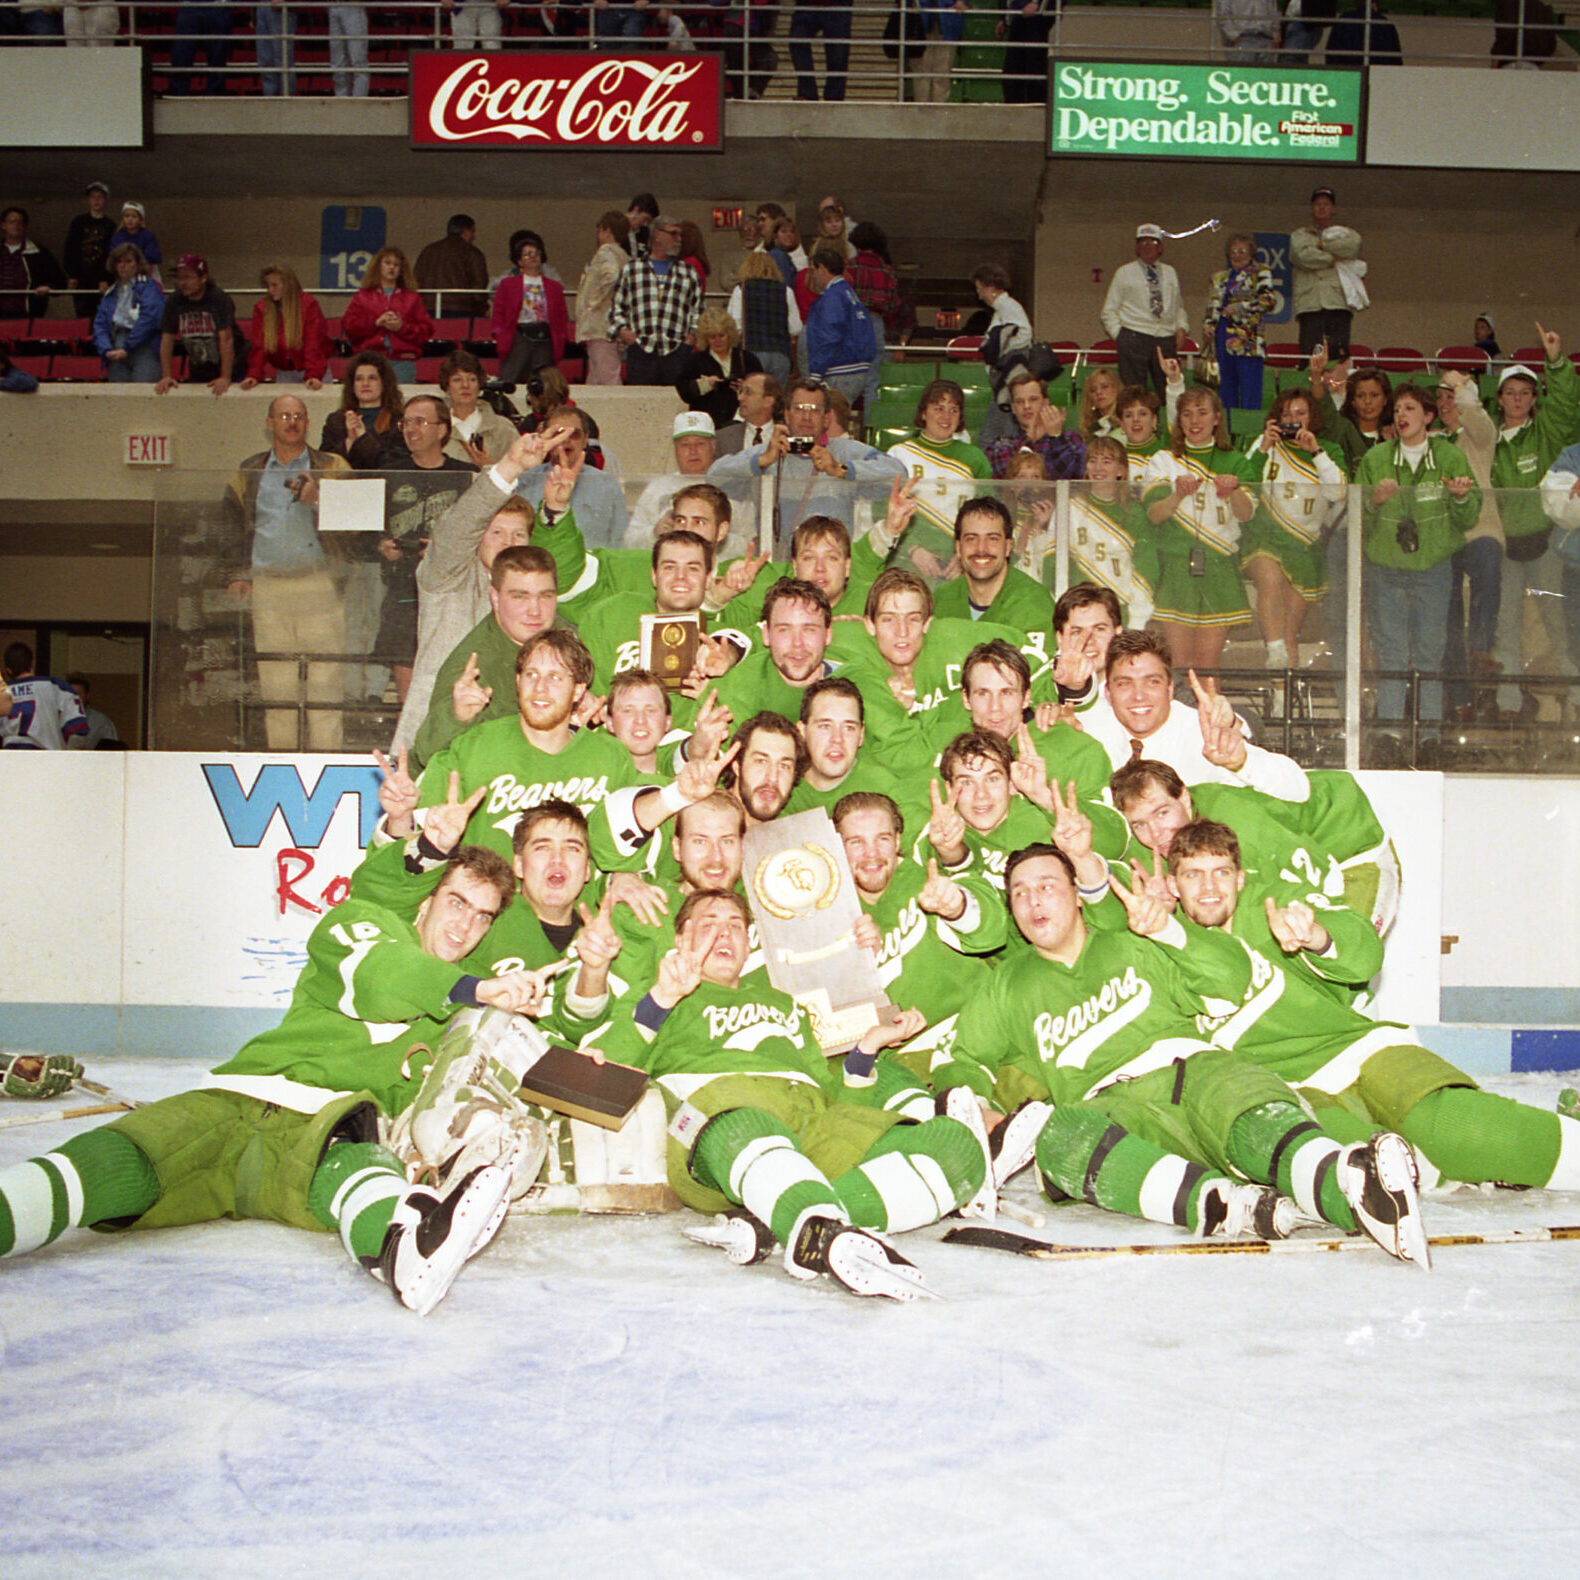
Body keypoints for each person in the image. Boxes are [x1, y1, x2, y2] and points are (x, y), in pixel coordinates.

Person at [0, 842, 555, 1316]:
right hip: (240, 1098)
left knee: (362, 1169)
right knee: (115, 1160)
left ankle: (404, 1253)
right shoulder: (364, 926)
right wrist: (475, 989)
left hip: (323, 1133)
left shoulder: (463, 1018)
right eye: (457, 902)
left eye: (483, 916)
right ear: (428, 898)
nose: (466, 926)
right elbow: (382, 980)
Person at [935, 844, 1429, 1262]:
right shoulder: (1006, 984)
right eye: (1019, 893)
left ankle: (1353, 1186)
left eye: (1046, 886)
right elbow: (963, 1057)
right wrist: (975, 1103)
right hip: (1112, 1108)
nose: (1032, 901)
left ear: (1077, 896)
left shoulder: (1136, 942)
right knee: (1058, 1137)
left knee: (1242, 1095)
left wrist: (1171, 931)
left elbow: (1232, 980)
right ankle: (1222, 1205)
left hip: (1191, 1070)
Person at [588, 888, 979, 1299]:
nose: (724, 935)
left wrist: (866, 1049)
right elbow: (608, 1070)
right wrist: (663, 998)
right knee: (746, 1125)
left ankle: (792, 1223)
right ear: (681, 940)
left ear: (749, 942)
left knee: (955, 1144)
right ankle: (808, 1218)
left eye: (736, 926)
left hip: (807, 1120)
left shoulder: (785, 1005)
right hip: (723, 1119)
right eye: (709, 924)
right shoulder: (660, 995)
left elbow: (839, 1106)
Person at [1158, 817, 1580, 1196]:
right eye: (1194, 875)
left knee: (1460, 1126)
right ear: (1174, 886)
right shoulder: (1160, 951)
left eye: (1221, 873)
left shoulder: (1277, 907)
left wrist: (1318, 936)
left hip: (1357, 1052)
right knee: (1364, 1162)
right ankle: (1453, 1167)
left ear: (1241, 880)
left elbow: (1362, 952)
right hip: (1294, 1093)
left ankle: (1517, 1146)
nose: (1210, 888)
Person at [220, 394, 355, 751]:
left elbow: (358, 527)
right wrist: (237, 573)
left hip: (319, 582)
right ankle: (280, 757)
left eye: (298, 415)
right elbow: (231, 527)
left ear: (307, 422)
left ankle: (327, 758)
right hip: (268, 586)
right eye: (283, 416)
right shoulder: (249, 469)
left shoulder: (332, 464)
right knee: (276, 686)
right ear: (270, 423)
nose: (291, 422)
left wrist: (319, 502)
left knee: (326, 684)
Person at [1357, 383, 1481, 755]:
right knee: (1393, 652)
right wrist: (1375, 502)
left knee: (1430, 652)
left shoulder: (1449, 457)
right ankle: (1391, 735)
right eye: (1397, 410)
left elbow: (1468, 516)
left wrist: (1461, 496)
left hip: (1433, 569)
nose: (1401, 415)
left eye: (1410, 409)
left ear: (1428, 417)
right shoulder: (1376, 459)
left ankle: (1429, 735)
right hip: (1386, 569)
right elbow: (1358, 518)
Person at [1081, 629, 1314, 803]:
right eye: (1124, 684)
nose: (1139, 696)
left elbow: (1299, 788)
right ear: (1108, 692)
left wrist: (1241, 763)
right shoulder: (1088, 728)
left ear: (1171, 689)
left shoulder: (1201, 732)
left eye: (1152, 682)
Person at [1484, 334, 1579, 718]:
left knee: (1559, 626)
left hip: (1546, 546)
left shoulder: (1546, 433)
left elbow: (1564, 404)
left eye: (1526, 392)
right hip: (1506, 549)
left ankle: (1576, 698)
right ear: (1500, 398)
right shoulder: (1487, 440)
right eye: (1511, 392)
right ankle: (1508, 705)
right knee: (1506, 627)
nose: (1518, 399)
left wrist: (1554, 359)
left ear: (1534, 399)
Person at [707, 374, 905, 554]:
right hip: (779, 567)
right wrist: (761, 461)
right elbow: (713, 478)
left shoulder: (846, 452)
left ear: (826, 418)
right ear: (786, 414)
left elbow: (900, 474)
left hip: (830, 566)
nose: (806, 417)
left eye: (814, 410)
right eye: (799, 408)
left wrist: (842, 469)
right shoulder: (769, 453)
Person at [1138, 386, 1257, 669]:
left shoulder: (1236, 461)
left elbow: (1247, 514)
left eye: (1202, 413)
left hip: (1219, 567)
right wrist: (1177, 494)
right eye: (1187, 414)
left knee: (1207, 663)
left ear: (1217, 418)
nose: (1194, 421)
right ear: (1179, 421)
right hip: (1177, 566)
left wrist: (1234, 491)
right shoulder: (1163, 460)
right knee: (1179, 662)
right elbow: (1154, 515)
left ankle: (1209, 714)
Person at [1239, 386, 1348, 672]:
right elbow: (1243, 480)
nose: (1294, 419)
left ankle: (1281, 699)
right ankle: (1273, 649)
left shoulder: (1328, 450)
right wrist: (1263, 446)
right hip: (1263, 538)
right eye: (1287, 414)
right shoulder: (1263, 445)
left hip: (1303, 546)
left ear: (1312, 417)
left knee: (1289, 632)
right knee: (1271, 576)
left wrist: (1316, 451)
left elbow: (1338, 493)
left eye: (1301, 413)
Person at [1434, 369, 1503, 723]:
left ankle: (1480, 650)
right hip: (1445, 540)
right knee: (1447, 619)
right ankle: (1460, 697)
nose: (1446, 404)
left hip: (1479, 532)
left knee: (1488, 563)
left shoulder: (1479, 437)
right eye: (1441, 398)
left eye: (1452, 398)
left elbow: (1476, 416)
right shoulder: (1431, 443)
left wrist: (1461, 386)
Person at [887, 378, 994, 573]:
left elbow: (987, 514)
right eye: (938, 408)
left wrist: (965, 554)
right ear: (923, 412)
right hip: (906, 560)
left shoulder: (975, 458)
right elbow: (882, 509)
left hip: (959, 564)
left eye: (953, 410)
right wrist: (913, 548)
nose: (946, 416)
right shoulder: (899, 454)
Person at [932, 495, 1055, 633]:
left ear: (1008, 547)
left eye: (993, 539)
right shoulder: (940, 600)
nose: (981, 549)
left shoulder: (1034, 602)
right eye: (971, 539)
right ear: (958, 548)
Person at [609, 214, 704, 386]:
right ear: (657, 235)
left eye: (680, 235)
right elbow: (616, 307)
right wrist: (624, 332)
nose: (679, 239)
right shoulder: (632, 269)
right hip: (640, 350)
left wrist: (690, 338)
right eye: (673, 234)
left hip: (677, 351)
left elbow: (697, 309)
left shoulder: (689, 273)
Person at [1101, 224, 1189, 404]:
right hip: (1134, 336)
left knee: (1170, 391)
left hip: (1164, 338)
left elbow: (1178, 306)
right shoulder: (1124, 272)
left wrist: (1181, 327)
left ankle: (1170, 429)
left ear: (1160, 247)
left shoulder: (1170, 272)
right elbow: (1108, 311)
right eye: (1142, 242)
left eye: (1152, 242)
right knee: (1134, 395)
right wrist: (1122, 336)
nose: (1147, 247)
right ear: (1136, 246)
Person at [1203, 232, 1276, 417]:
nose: (1237, 254)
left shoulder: (1261, 271)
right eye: (1233, 251)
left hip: (1248, 340)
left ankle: (1248, 433)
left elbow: (1268, 300)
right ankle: (1227, 433)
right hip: (1222, 338)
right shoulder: (1219, 277)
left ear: (1251, 252)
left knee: (1250, 390)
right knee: (1226, 390)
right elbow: (1213, 305)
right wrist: (1208, 325)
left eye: (1242, 250)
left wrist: (1241, 307)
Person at [625, 413, 721, 547]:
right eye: (685, 445)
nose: (693, 451)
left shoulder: (731, 486)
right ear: (675, 448)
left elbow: (748, 541)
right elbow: (629, 541)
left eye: (700, 444)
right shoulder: (657, 488)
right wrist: (654, 533)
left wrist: (716, 534)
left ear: (713, 446)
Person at [489, 229, 569, 390]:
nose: (532, 256)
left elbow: (561, 315)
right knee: (510, 379)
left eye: (535, 253)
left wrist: (560, 336)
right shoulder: (507, 284)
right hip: (518, 336)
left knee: (544, 383)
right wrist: (500, 334)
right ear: (519, 261)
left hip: (545, 338)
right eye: (526, 254)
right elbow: (498, 313)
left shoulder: (554, 287)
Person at [1290, 187, 1364, 360]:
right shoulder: (1299, 235)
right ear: (1311, 208)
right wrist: (1332, 258)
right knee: (1310, 355)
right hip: (1310, 303)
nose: (1321, 208)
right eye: (1317, 204)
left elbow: (1352, 247)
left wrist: (1319, 246)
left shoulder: (1346, 234)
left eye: (1326, 204)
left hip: (1337, 302)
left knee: (1338, 356)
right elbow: (1302, 256)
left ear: (1333, 209)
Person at [845, 222, 912, 409]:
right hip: (875, 323)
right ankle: (870, 431)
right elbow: (893, 305)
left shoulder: (848, 267)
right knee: (872, 382)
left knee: (847, 379)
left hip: (852, 323)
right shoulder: (887, 271)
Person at [342, 247, 433, 384]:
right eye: (387, 263)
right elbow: (349, 327)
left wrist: (402, 328)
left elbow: (426, 331)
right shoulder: (362, 296)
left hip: (402, 361)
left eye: (396, 264)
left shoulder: (412, 298)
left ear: (402, 269)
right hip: (369, 360)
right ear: (378, 266)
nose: (392, 267)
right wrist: (375, 323)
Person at [154, 254, 238, 397]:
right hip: (198, 369)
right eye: (179, 278)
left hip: (233, 370)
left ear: (203, 277)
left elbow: (226, 339)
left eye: (187, 277)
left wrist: (225, 377)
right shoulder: (175, 301)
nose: (182, 283)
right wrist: (167, 375)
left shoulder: (218, 299)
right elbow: (167, 339)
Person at [804, 246, 876, 408]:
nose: (812, 276)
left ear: (821, 267)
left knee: (831, 420)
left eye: (813, 270)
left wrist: (816, 373)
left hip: (839, 370)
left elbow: (830, 335)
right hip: (856, 369)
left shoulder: (832, 297)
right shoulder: (849, 294)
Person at [240, 263, 331, 391]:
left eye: (274, 285)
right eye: (268, 286)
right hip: (284, 373)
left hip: (315, 372)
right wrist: (254, 375)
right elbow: (259, 347)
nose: (270, 290)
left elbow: (313, 344)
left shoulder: (309, 305)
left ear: (288, 284)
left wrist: (314, 374)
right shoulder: (262, 309)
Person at [985, 371, 1086, 480]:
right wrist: (1028, 439)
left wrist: (1056, 438)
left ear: (1045, 403)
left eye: (1033, 399)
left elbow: (1068, 478)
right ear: (1013, 408)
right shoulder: (1001, 445)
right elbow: (1010, 479)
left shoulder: (1070, 439)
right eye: (1019, 402)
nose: (1026, 406)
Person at [676, 307, 762, 431]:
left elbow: (763, 390)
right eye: (712, 337)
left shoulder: (748, 359)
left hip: (741, 426)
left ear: (729, 334)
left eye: (721, 335)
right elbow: (684, 392)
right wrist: (705, 384)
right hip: (707, 426)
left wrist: (746, 388)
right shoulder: (695, 361)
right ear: (705, 338)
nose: (717, 341)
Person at [91, 242, 164, 383]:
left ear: (137, 264)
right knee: (118, 398)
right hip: (115, 346)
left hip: (143, 345)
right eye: (119, 261)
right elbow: (99, 324)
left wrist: (127, 347)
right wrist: (106, 349)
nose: (123, 265)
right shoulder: (110, 293)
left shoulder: (148, 287)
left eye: (128, 261)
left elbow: (150, 318)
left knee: (143, 395)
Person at [726, 250, 800, 386]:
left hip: (752, 352)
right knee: (775, 399)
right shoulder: (786, 291)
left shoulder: (741, 290)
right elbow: (795, 328)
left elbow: (735, 326)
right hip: (780, 353)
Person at [574, 210, 631, 386]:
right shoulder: (624, 256)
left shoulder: (606, 252)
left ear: (607, 231)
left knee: (608, 377)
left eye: (599, 230)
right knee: (596, 377)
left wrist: (593, 303)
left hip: (599, 325)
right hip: (608, 325)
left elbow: (611, 277)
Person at [0, 642, 87, 750]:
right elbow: (77, 729)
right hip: (46, 759)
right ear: (33, 663)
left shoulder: (2, 692)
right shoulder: (55, 686)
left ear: (8, 670)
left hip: (10, 760)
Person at [320, 350, 403, 462]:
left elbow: (396, 463)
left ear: (384, 384)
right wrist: (349, 442)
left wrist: (363, 438)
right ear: (352, 386)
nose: (365, 383)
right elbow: (324, 463)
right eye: (359, 379)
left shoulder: (398, 421)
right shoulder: (336, 421)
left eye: (372, 378)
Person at [415, 213, 490, 320]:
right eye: (472, 231)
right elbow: (479, 285)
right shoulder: (472, 252)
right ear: (465, 231)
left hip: (428, 307)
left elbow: (416, 279)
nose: (474, 236)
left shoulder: (428, 251)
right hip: (462, 309)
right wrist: (482, 309)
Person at [0, 205, 67, 321]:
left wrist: (48, 287)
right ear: (3, 225)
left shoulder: (39, 253)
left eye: (20, 222)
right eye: (12, 221)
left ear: (25, 227)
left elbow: (60, 282)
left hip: (28, 316)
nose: (16, 225)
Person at [61, 179, 115, 314]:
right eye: (93, 197)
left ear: (106, 200)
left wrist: (106, 278)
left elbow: (112, 254)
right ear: (88, 200)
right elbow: (70, 249)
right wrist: (72, 274)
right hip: (81, 279)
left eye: (100, 197)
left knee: (101, 315)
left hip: (101, 280)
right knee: (82, 314)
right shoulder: (78, 222)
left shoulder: (111, 225)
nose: (96, 200)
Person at [1215, 0, 1281, 61]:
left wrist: (1276, 33)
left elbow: (1273, 10)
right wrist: (1233, 36)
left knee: (1266, 72)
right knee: (1242, 71)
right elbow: (1222, 15)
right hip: (1242, 38)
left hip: (1266, 38)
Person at [327, 0, 369, 97]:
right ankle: (341, 101)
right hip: (333, 5)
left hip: (353, 6)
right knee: (337, 62)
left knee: (358, 60)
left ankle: (359, 102)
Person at [68, 675, 121, 749]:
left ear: (87, 696)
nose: (74, 697)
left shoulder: (101, 722)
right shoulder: (55, 720)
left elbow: (112, 751)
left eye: (78, 694)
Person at [108, 201, 161, 276]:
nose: (130, 219)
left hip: (146, 275)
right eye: (127, 216)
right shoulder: (117, 237)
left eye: (134, 216)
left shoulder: (148, 236)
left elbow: (150, 262)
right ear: (123, 219)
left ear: (141, 220)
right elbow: (114, 259)